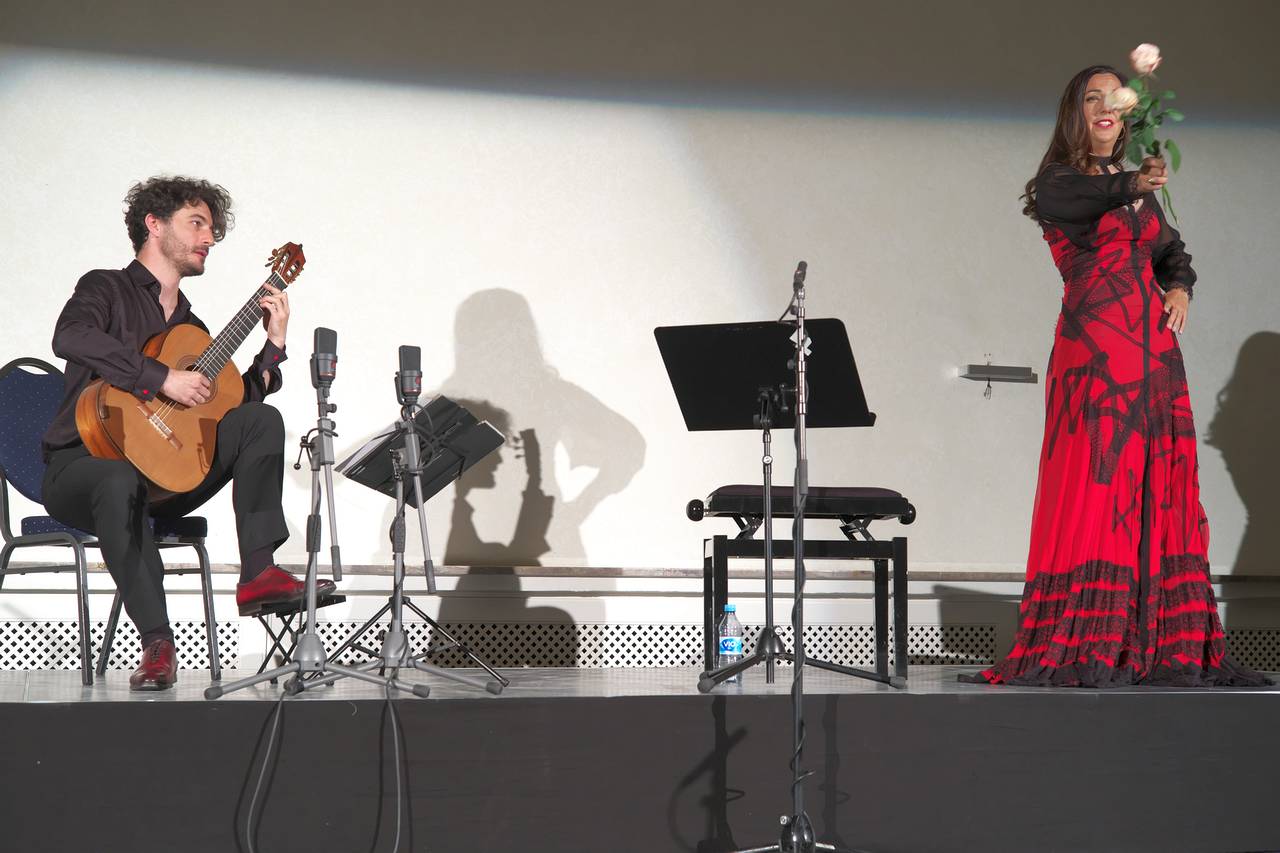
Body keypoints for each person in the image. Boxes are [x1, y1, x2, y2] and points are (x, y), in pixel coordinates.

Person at [966, 66, 1266, 687]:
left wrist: (1178, 287)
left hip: (1155, 357)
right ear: (1074, 113)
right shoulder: (1059, 183)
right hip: (1097, 356)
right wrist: (1134, 181)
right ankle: (1092, 636)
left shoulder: (1133, 187)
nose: (1105, 106)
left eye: (1114, 98)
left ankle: (1160, 640)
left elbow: (1170, 250)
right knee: (1103, 481)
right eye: (1092, 98)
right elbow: (1084, 198)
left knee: (1160, 487)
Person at [40, 176, 334, 690]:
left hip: (163, 477)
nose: (209, 237)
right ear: (154, 224)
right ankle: (158, 643)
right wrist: (159, 378)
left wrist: (273, 346)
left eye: (212, 229)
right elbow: (71, 336)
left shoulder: (192, 330)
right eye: (197, 223)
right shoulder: (105, 288)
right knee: (117, 481)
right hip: (82, 466)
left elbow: (231, 403)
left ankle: (258, 571)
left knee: (259, 421)